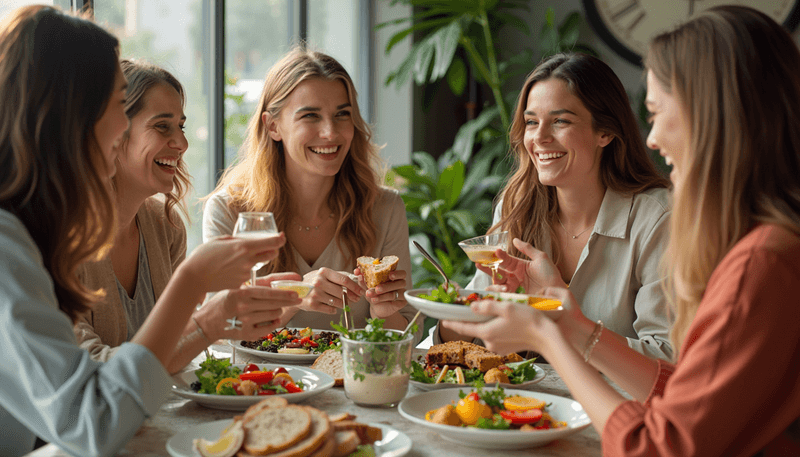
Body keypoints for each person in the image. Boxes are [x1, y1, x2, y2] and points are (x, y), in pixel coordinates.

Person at [444, 5, 800, 456]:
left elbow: (655, 446)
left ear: (711, 114)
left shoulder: (759, 263)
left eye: (656, 111)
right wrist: (567, 324)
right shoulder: (775, 245)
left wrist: (549, 337)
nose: (652, 139)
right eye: (532, 122)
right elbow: (687, 396)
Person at [0, 6, 284, 456]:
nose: (119, 124)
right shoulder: (12, 245)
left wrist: (218, 314)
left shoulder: (34, 229)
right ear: (72, 112)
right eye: (116, 104)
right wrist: (194, 282)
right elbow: (93, 420)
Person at [437, 52, 674, 361]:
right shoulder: (516, 206)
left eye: (560, 121)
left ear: (605, 132)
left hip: (617, 405)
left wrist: (557, 314)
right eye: (531, 122)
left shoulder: (656, 218)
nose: (539, 137)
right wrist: (449, 311)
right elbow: (472, 331)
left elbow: (668, 357)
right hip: (523, 406)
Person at [73, 60, 302, 374]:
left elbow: (174, 353)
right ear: (113, 132)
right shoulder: (58, 242)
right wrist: (206, 313)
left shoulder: (165, 227)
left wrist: (227, 315)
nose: (181, 143)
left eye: (180, 126)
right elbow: (90, 375)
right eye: (162, 126)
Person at [203, 47, 420, 337]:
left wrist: (383, 314)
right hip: (263, 380)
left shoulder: (385, 207)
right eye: (311, 116)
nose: (330, 132)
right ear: (273, 126)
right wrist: (296, 296)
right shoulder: (229, 211)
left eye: (342, 114)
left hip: (351, 381)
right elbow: (217, 331)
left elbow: (410, 334)